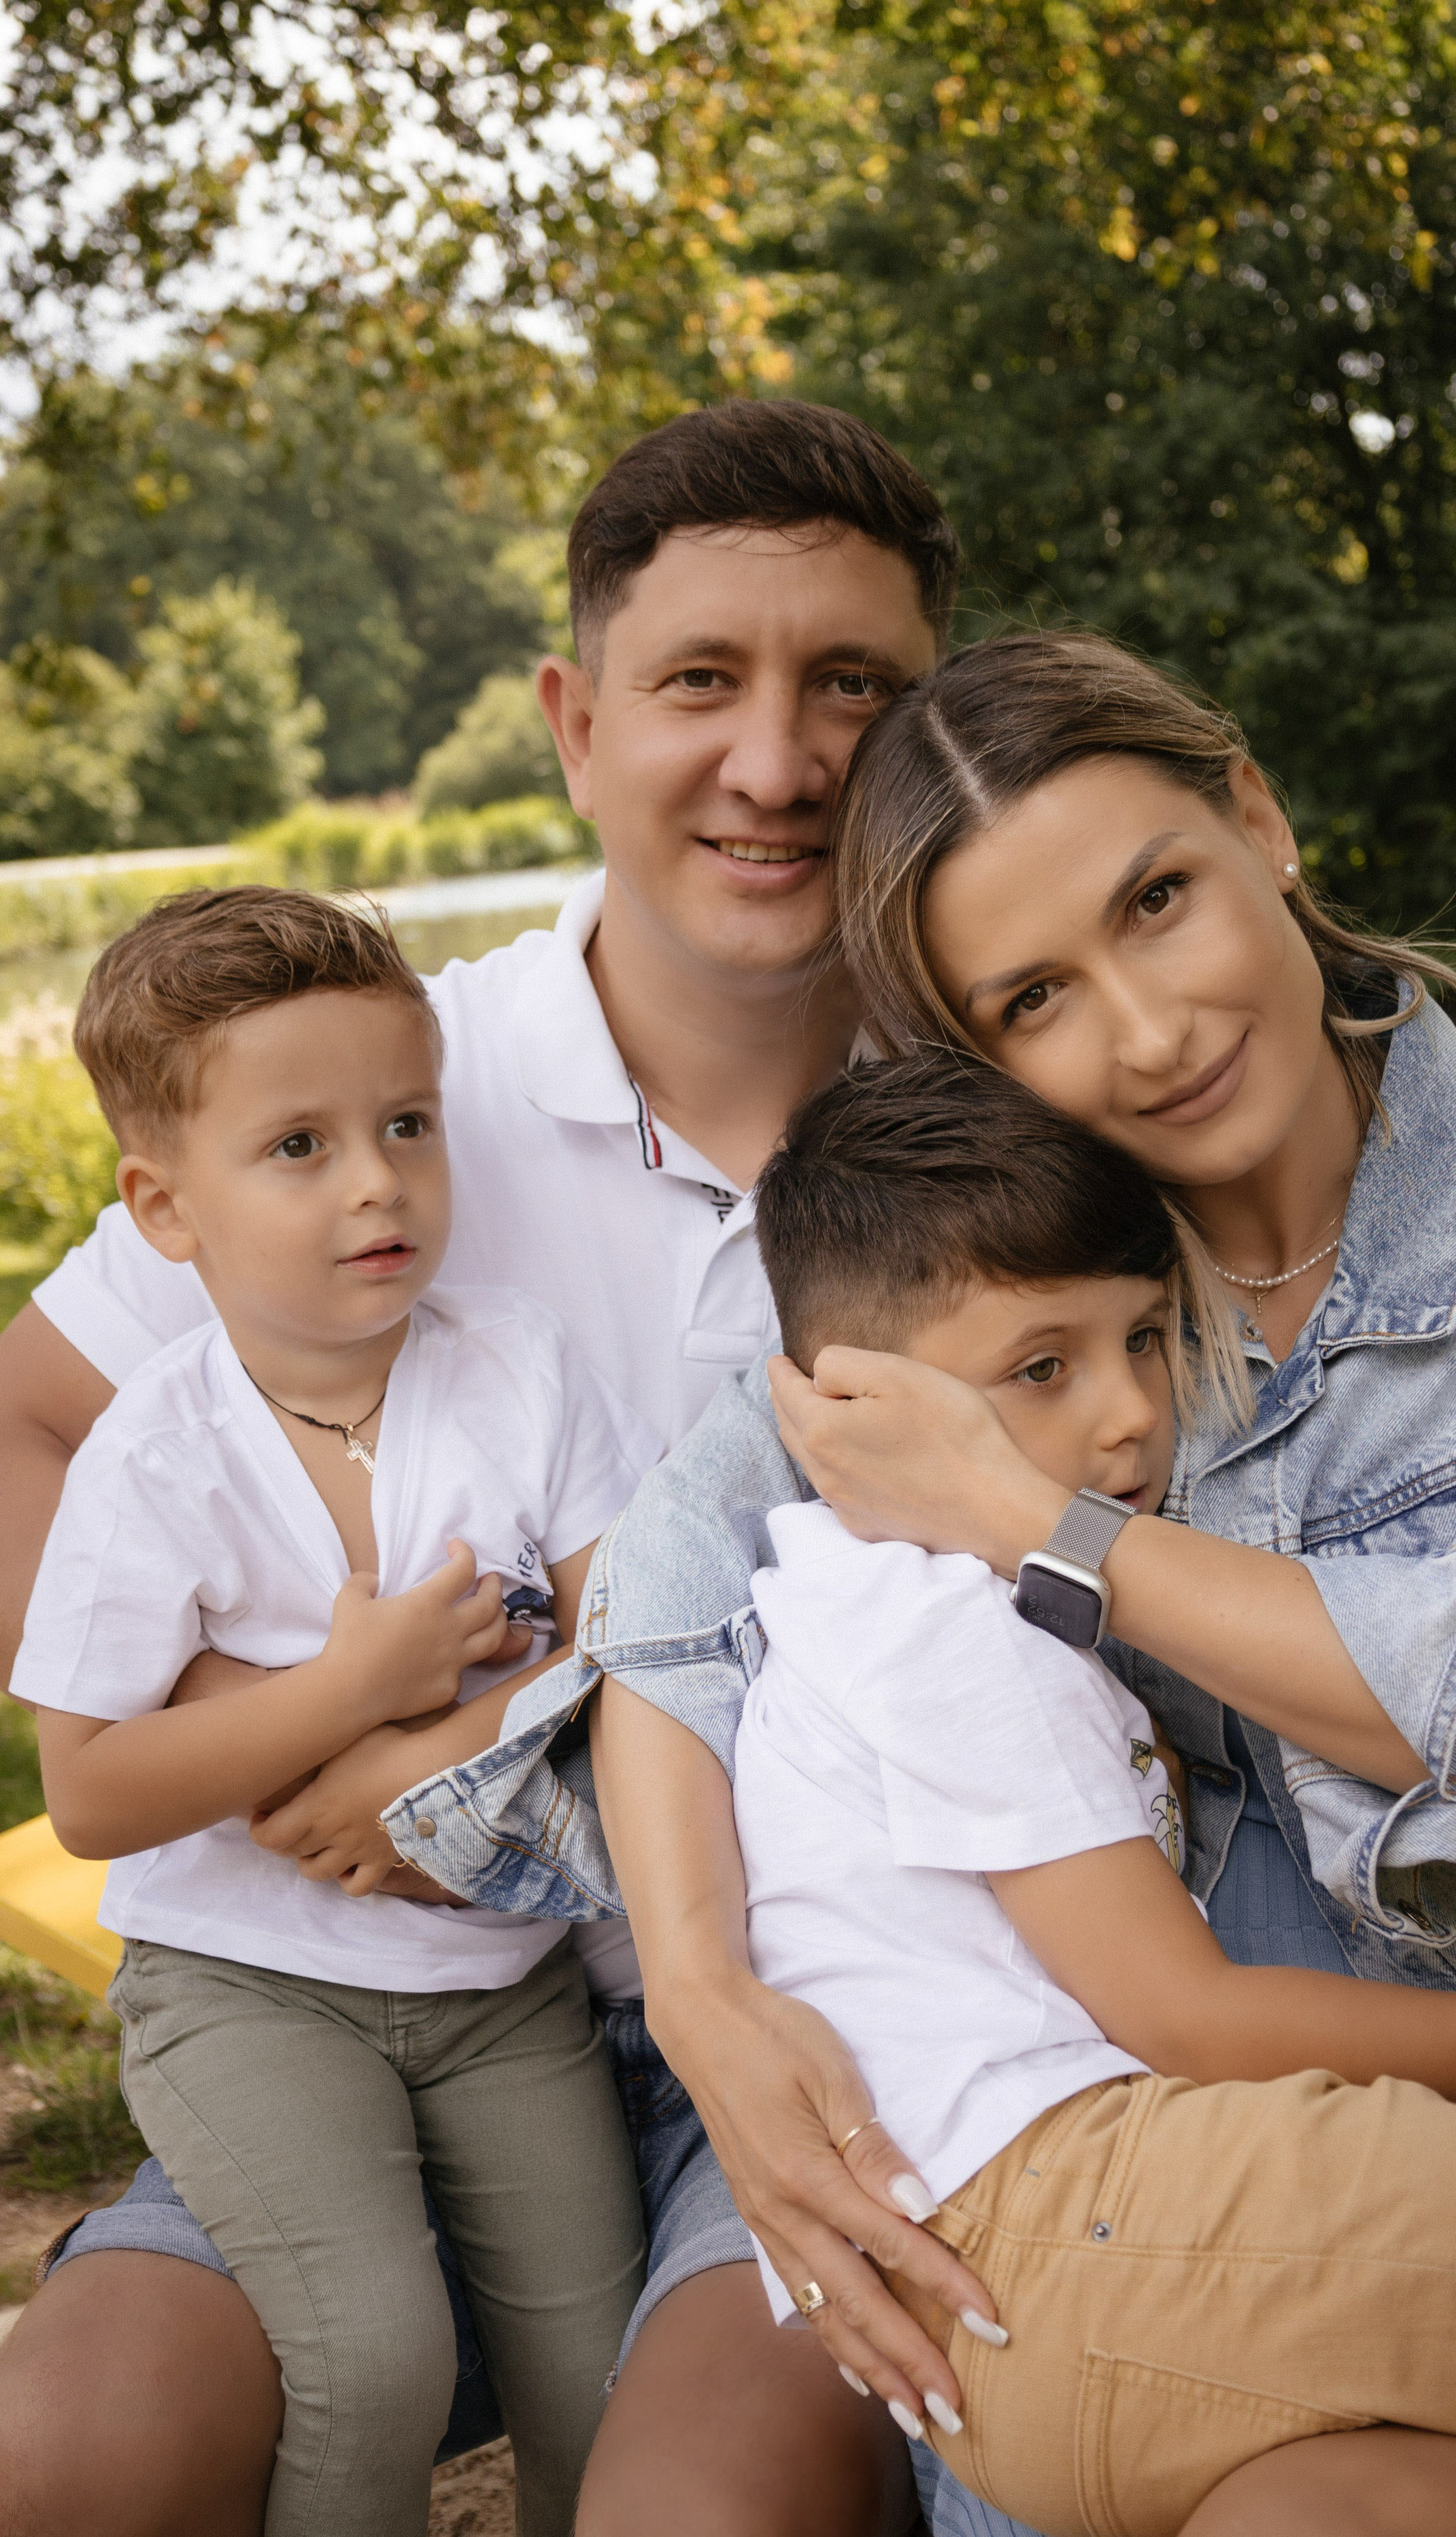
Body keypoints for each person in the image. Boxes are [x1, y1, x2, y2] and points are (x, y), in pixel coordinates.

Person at [399, 627, 1456, 2537]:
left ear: (1258, 821)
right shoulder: (1003, 1297)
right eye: (1036, 999)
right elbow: (678, 1610)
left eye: (1162, 900)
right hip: (1142, 2189)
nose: (1149, 1031)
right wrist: (702, 1991)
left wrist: (1054, 1529)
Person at [0, 397, 955, 2537]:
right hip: (358, 1997)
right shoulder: (386, 1088)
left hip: (813, 2016)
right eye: (702, 679)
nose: (781, 764)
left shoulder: (998, 1114)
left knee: (684, 2513)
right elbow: (26, 1413)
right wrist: (274, 1731)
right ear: (572, 719)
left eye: (858, 692)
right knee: (70, 2456)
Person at [737, 1050, 1456, 2531]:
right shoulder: (943, 1622)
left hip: (1071, 2276)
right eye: (1038, 1369)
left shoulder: (848, 1590)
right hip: (1083, 2206)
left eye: (1142, 1339)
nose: (1129, 1415)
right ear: (849, 1403)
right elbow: (1190, 2023)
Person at [16, 887, 651, 2537]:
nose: (377, 1179)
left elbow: (630, 1641)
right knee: (367, 2356)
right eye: (297, 1147)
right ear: (165, 1207)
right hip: (252, 1993)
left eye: (406, 1124)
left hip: (502, 1982)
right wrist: (348, 1689)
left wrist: (454, 1741)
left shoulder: (518, 1370)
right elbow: (89, 1793)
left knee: (597, 2370)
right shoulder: (155, 1457)